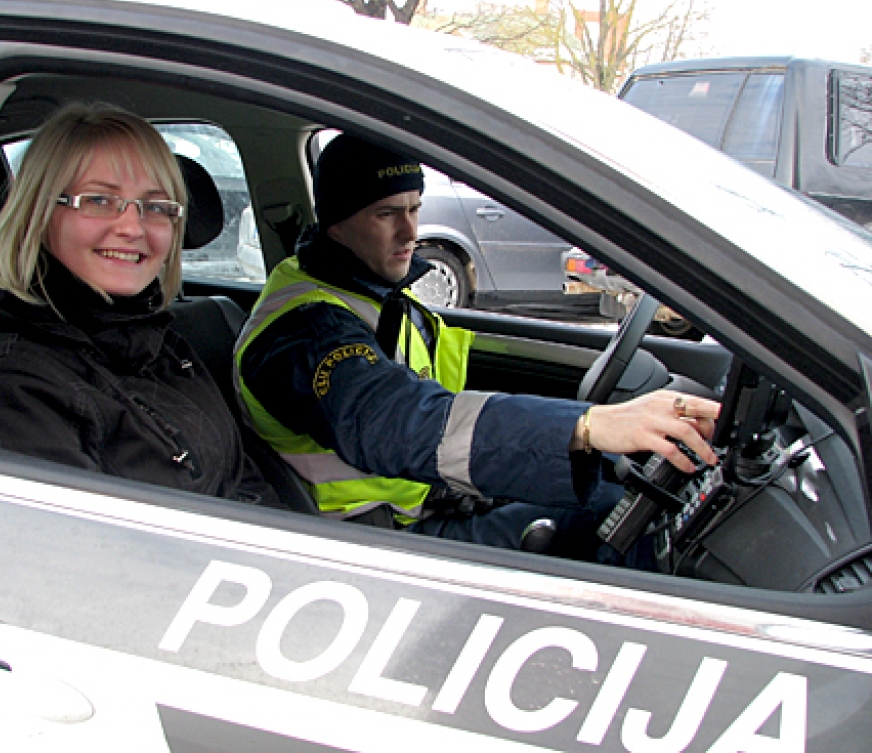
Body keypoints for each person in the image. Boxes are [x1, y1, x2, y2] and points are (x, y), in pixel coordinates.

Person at [234, 133, 719, 558]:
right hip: (384, 537)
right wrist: (587, 427)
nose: (410, 232)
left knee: (615, 488)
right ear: (336, 222)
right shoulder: (305, 330)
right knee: (616, 519)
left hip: (433, 495)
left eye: (414, 209)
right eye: (386, 214)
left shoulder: (368, 294)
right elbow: (392, 422)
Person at [0, 102, 279, 507]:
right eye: (98, 201)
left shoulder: (159, 337)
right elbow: (84, 552)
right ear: (39, 211)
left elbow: (243, 479)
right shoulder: (17, 381)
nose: (131, 227)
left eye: (156, 207)